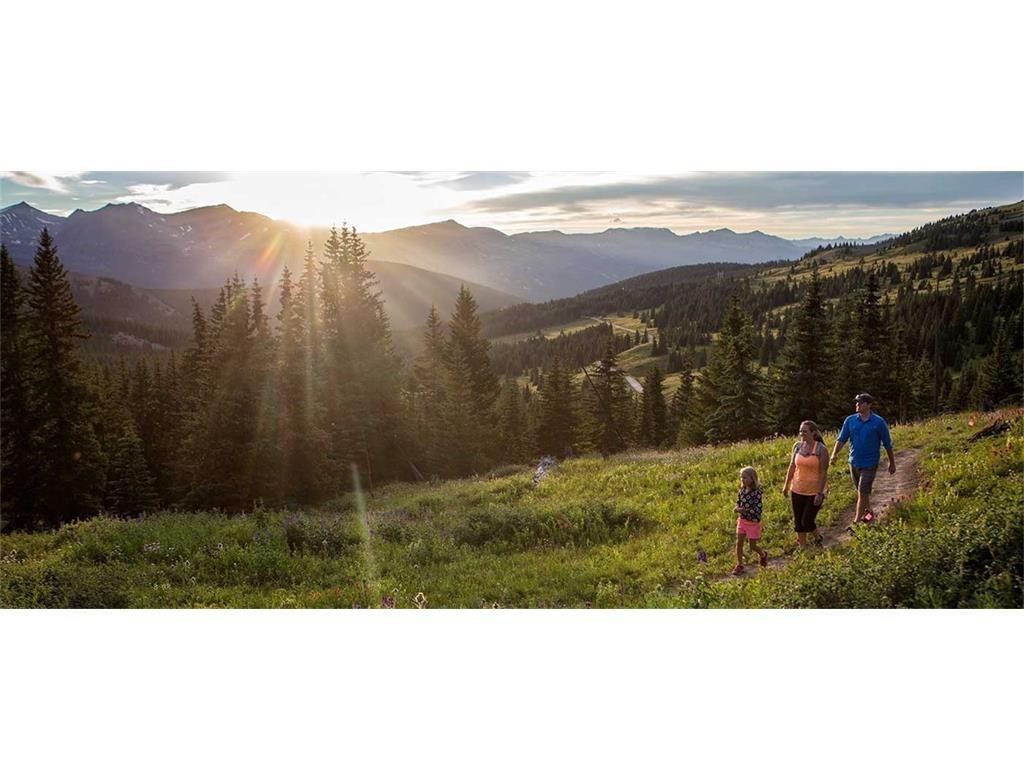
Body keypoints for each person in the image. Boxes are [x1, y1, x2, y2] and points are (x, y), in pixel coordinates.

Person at [830, 393, 895, 526]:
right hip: (853, 462)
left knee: (862, 491)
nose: (857, 404)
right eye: (857, 402)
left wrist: (892, 462)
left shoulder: (878, 422)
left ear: (869, 405)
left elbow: (887, 443)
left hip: (870, 463)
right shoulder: (850, 420)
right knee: (863, 493)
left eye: (860, 402)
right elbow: (841, 439)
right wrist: (834, 454)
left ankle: (856, 522)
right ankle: (870, 514)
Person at [782, 420, 828, 547]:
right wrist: (786, 485)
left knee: (807, 520)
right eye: (800, 431)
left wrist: (820, 492)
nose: (802, 434)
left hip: (814, 491)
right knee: (798, 521)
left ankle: (818, 537)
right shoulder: (797, 446)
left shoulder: (821, 449)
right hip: (797, 489)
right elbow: (792, 467)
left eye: (805, 431)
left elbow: (824, 472)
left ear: (813, 433)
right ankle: (803, 546)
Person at [732, 466, 768, 576]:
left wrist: (746, 511)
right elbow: (739, 502)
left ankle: (762, 554)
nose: (743, 480)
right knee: (739, 543)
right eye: (741, 477)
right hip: (742, 521)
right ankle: (740, 565)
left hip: (752, 522)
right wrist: (737, 508)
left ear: (752, 478)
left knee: (752, 546)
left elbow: (758, 509)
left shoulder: (756, 492)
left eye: (745, 478)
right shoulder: (742, 490)